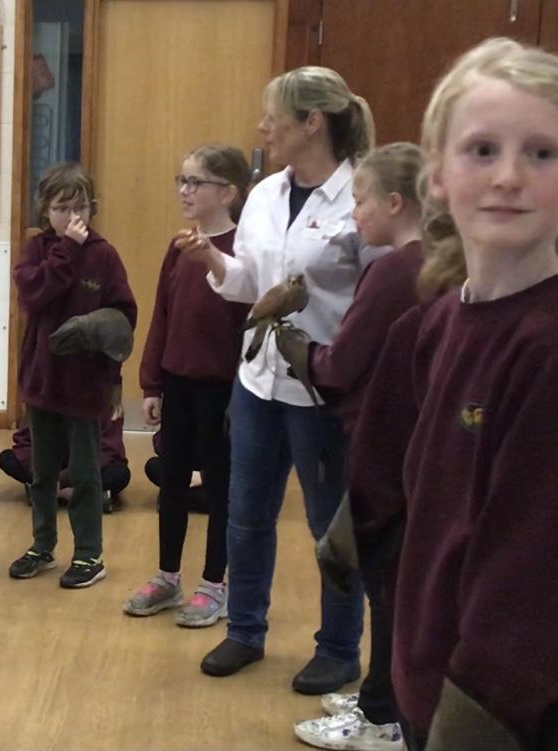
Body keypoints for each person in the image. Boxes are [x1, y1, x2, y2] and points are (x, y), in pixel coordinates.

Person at [350, 38, 558, 751]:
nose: (509, 176)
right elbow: (406, 483)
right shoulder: (436, 324)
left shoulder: (545, 348)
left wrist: (471, 718)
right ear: (437, 174)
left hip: (503, 713)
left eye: (542, 153)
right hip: (429, 676)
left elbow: (528, 578)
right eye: (482, 150)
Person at [178, 66, 382, 692]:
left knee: (328, 527)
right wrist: (214, 260)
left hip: (322, 389)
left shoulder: (360, 196)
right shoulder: (266, 192)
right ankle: (245, 631)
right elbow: (250, 282)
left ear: (312, 122)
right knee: (244, 515)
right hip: (258, 381)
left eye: (274, 117)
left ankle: (339, 648)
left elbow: (381, 298)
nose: (263, 128)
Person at [278, 142, 425, 750]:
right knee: (398, 586)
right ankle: (382, 696)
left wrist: (302, 353)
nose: (354, 212)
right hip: (415, 447)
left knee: (387, 586)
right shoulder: (439, 261)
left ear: (394, 202)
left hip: (388, 447)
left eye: (361, 200)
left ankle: (383, 717)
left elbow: (342, 366)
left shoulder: (394, 271)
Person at [122, 143, 250, 628]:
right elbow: (162, 315)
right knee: (171, 484)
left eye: (196, 182)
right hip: (178, 384)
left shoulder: (243, 252)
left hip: (224, 391)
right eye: (182, 180)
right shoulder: (179, 248)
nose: (185, 190)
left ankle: (215, 584)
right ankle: (167, 576)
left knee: (220, 490)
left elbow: (248, 323)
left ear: (228, 192)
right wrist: (152, 384)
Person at [8, 161, 137, 589]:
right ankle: (42, 545)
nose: (71, 217)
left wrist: (109, 367)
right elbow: (34, 295)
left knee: (85, 473)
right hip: (43, 380)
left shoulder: (104, 255)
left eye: (79, 207)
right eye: (61, 208)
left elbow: (123, 317)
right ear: (45, 210)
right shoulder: (37, 251)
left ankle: (89, 554)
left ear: (91, 208)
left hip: (86, 386)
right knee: (42, 470)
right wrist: (65, 250)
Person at [0, 405, 131, 512]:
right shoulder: (40, 397)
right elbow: (25, 445)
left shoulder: (105, 400)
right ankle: (86, 497)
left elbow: (108, 453)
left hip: (87, 468)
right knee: (7, 458)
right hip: (49, 465)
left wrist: (62, 480)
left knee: (120, 473)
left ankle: (50, 493)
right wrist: (47, 475)